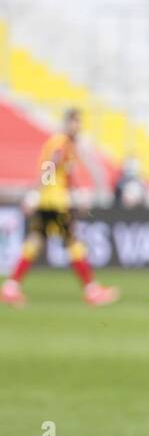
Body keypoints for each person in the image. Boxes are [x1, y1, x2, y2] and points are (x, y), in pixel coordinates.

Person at [1, 108, 119, 308]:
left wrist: (76, 193)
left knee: (35, 240)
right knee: (72, 242)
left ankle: (11, 287)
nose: (77, 126)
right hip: (54, 203)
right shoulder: (60, 143)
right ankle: (91, 290)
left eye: (79, 122)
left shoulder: (66, 145)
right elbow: (50, 167)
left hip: (51, 201)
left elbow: (67, 175)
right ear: (66, 123)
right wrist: (35, 193)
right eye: (74, 122)